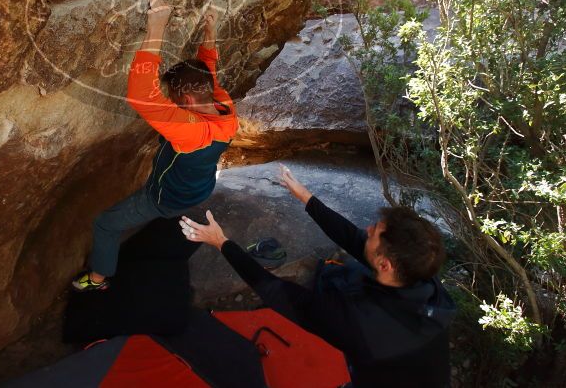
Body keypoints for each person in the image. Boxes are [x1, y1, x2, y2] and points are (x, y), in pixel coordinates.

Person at [180, 164, 456, 387]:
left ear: (385, 265)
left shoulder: (356, 321)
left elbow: (277, 292)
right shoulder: (423, 279)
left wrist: (221, 242)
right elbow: (353, 238)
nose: (368, 229)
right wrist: (305, 197)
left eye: (374, 233)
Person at [72, 0, 239, 291]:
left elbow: (142, 95)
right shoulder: (223, 105)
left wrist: (157, 26)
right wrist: (210, 31)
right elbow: (208, 69)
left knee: (105, 223)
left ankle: (97, 279)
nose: (170, 103)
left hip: (164, 197)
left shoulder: (190, 131)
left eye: (173, 99)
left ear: (186, 100)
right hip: (199, 186)